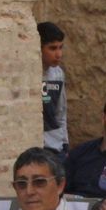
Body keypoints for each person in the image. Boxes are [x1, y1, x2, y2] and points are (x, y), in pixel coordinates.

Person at [38, 20, 68, 155]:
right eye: (52, 48)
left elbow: (61, 112)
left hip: (55, 144)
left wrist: (65, 142)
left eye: (60, 47)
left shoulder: (58, 74)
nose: (58, 54)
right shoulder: (30, 76)